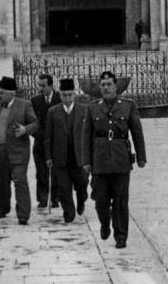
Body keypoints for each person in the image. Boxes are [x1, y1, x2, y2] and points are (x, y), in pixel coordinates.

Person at [82, 70, 146, 249]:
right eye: (102, 85)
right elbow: (86, 135)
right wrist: (86, 161)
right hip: (99, 161)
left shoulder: (128, 106)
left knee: (120, 201)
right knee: (100, 199)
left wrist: (141, 157)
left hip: (120, 160)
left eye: (109, 84)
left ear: (116, 86)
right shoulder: (92, 107)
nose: (106, 88)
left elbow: (137, 132)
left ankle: (120, 235)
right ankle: (104, 221)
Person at [0, 76, 39, 225]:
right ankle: (3, 207)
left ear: (11, 93)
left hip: (18, 150)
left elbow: (36, 123)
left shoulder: (24, 105)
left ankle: (23, 215)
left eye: (1, 93)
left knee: (20, 181)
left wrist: (25, 129)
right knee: (0, 182)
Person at [44, 78, 88, 223]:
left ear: (74, 94)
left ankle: (81, 200)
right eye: (64, 95)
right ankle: (69, 212)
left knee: (82, 184)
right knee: (64, 188)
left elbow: (89, 135)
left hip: (79, 157)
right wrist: (48, 156)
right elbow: (48, 137)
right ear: (60, 95)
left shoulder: (84, 110)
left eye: (70, 95)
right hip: (60, 157)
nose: (67, 98)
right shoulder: (53, 111)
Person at [30, 73, 61, 209]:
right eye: (39, 85)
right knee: (41, 171)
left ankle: (55, 198)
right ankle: (42, 198)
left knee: (56, 171)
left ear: (51, 85)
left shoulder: (60, 99)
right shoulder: (35, 101)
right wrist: (39, 135)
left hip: (56, 142)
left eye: (43, 86)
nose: (40, 88)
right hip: (40, 142)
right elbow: (31, 121)